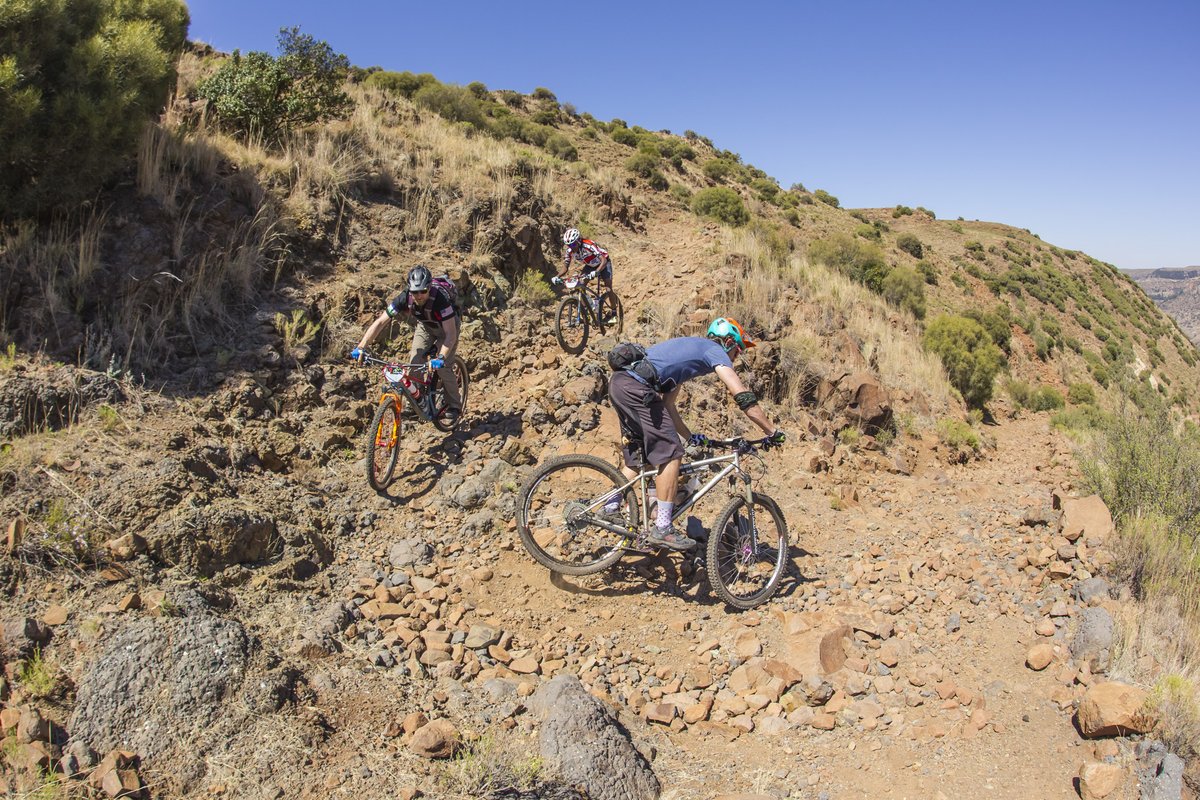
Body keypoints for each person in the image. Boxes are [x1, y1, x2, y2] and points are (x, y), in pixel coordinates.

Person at [607, 318, 786, 551]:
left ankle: (609, 507)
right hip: (637, 388)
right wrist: (771, 431)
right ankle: (662, 527)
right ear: (729, 341)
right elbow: (741, 394)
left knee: (641, 456)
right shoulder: (714, 350)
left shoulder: (688, 355)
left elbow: (668, 406)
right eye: (738, 349)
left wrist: (690, 437)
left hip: (621, 385)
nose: (736, 357)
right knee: (671, 453)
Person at [353, 265, 462, 424]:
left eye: (423, 291)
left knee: (443, 367)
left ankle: (454, 405)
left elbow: (451, 334)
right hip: (425, 326)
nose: (418, 295)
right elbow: (381, 321)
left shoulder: (440, 300)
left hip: (447, 329)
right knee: (414, 363)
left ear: (429, 287)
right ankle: (419, 399)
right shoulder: (404, 297)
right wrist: (361, 347)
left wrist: (440, 357)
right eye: (414, 291)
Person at [554, 228, 613, 293]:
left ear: (578, 241)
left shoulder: (588, 245)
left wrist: (596, 271)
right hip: (590, 265)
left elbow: (603, 260)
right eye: (569, 245)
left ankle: (613, 303)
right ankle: (586, 302)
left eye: (573, 244)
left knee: (608, 289)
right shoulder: (569, 251)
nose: (571, 247)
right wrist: (557, 276)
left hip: (604, 263)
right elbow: (565, 266)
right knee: (580, 286)